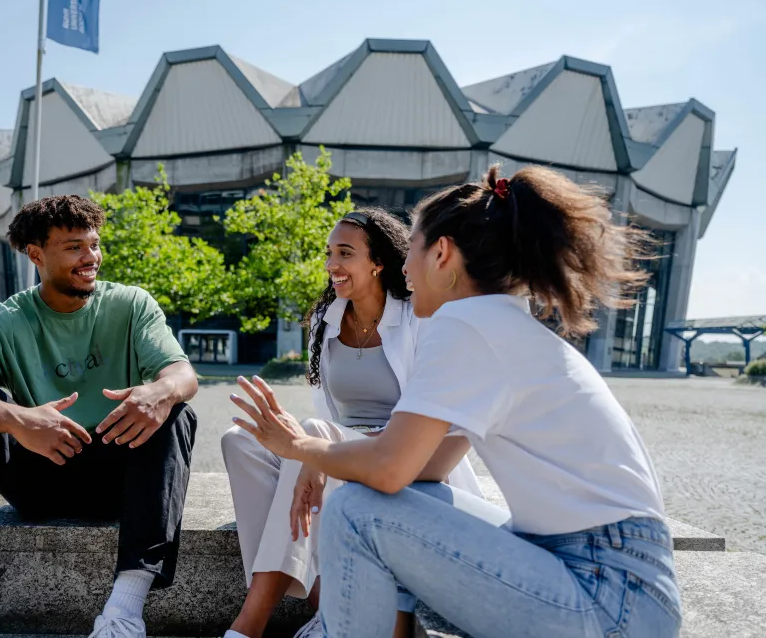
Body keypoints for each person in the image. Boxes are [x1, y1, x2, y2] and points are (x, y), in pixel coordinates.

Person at [229, 166, 681, 638]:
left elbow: (389, 466)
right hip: (620, 583)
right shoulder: (501, 322)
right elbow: (417, 468)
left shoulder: (464, 325)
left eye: (412, 252)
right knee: (381, 498)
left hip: (607, 594)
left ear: (442, 253)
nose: (404, 268)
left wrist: (300, 447)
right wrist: (327, 461)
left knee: (354, 511)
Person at [0, 195, 199, 638]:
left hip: (122, 478)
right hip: (40, 472)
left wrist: (159, 391)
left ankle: (125, 611)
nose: (90, 257)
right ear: (36, 254)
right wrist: (18, 419)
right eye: (74, 247)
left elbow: (183, 374)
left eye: (93, 245)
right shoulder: (3, 321)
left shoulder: (131, 305)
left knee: (174, 413)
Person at [221, 208, 482, 638]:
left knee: (313, 436)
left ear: (378, 262)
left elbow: (434, 423)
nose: (331, 266)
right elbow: (326, 414)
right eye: (328, 254)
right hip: (339, 445)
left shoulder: (419, 317)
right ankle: (327, 607)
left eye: (345, 253)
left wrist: (320, 445)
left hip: (397, 451)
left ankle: (251, 622)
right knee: (240, 440)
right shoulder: (325, 325)